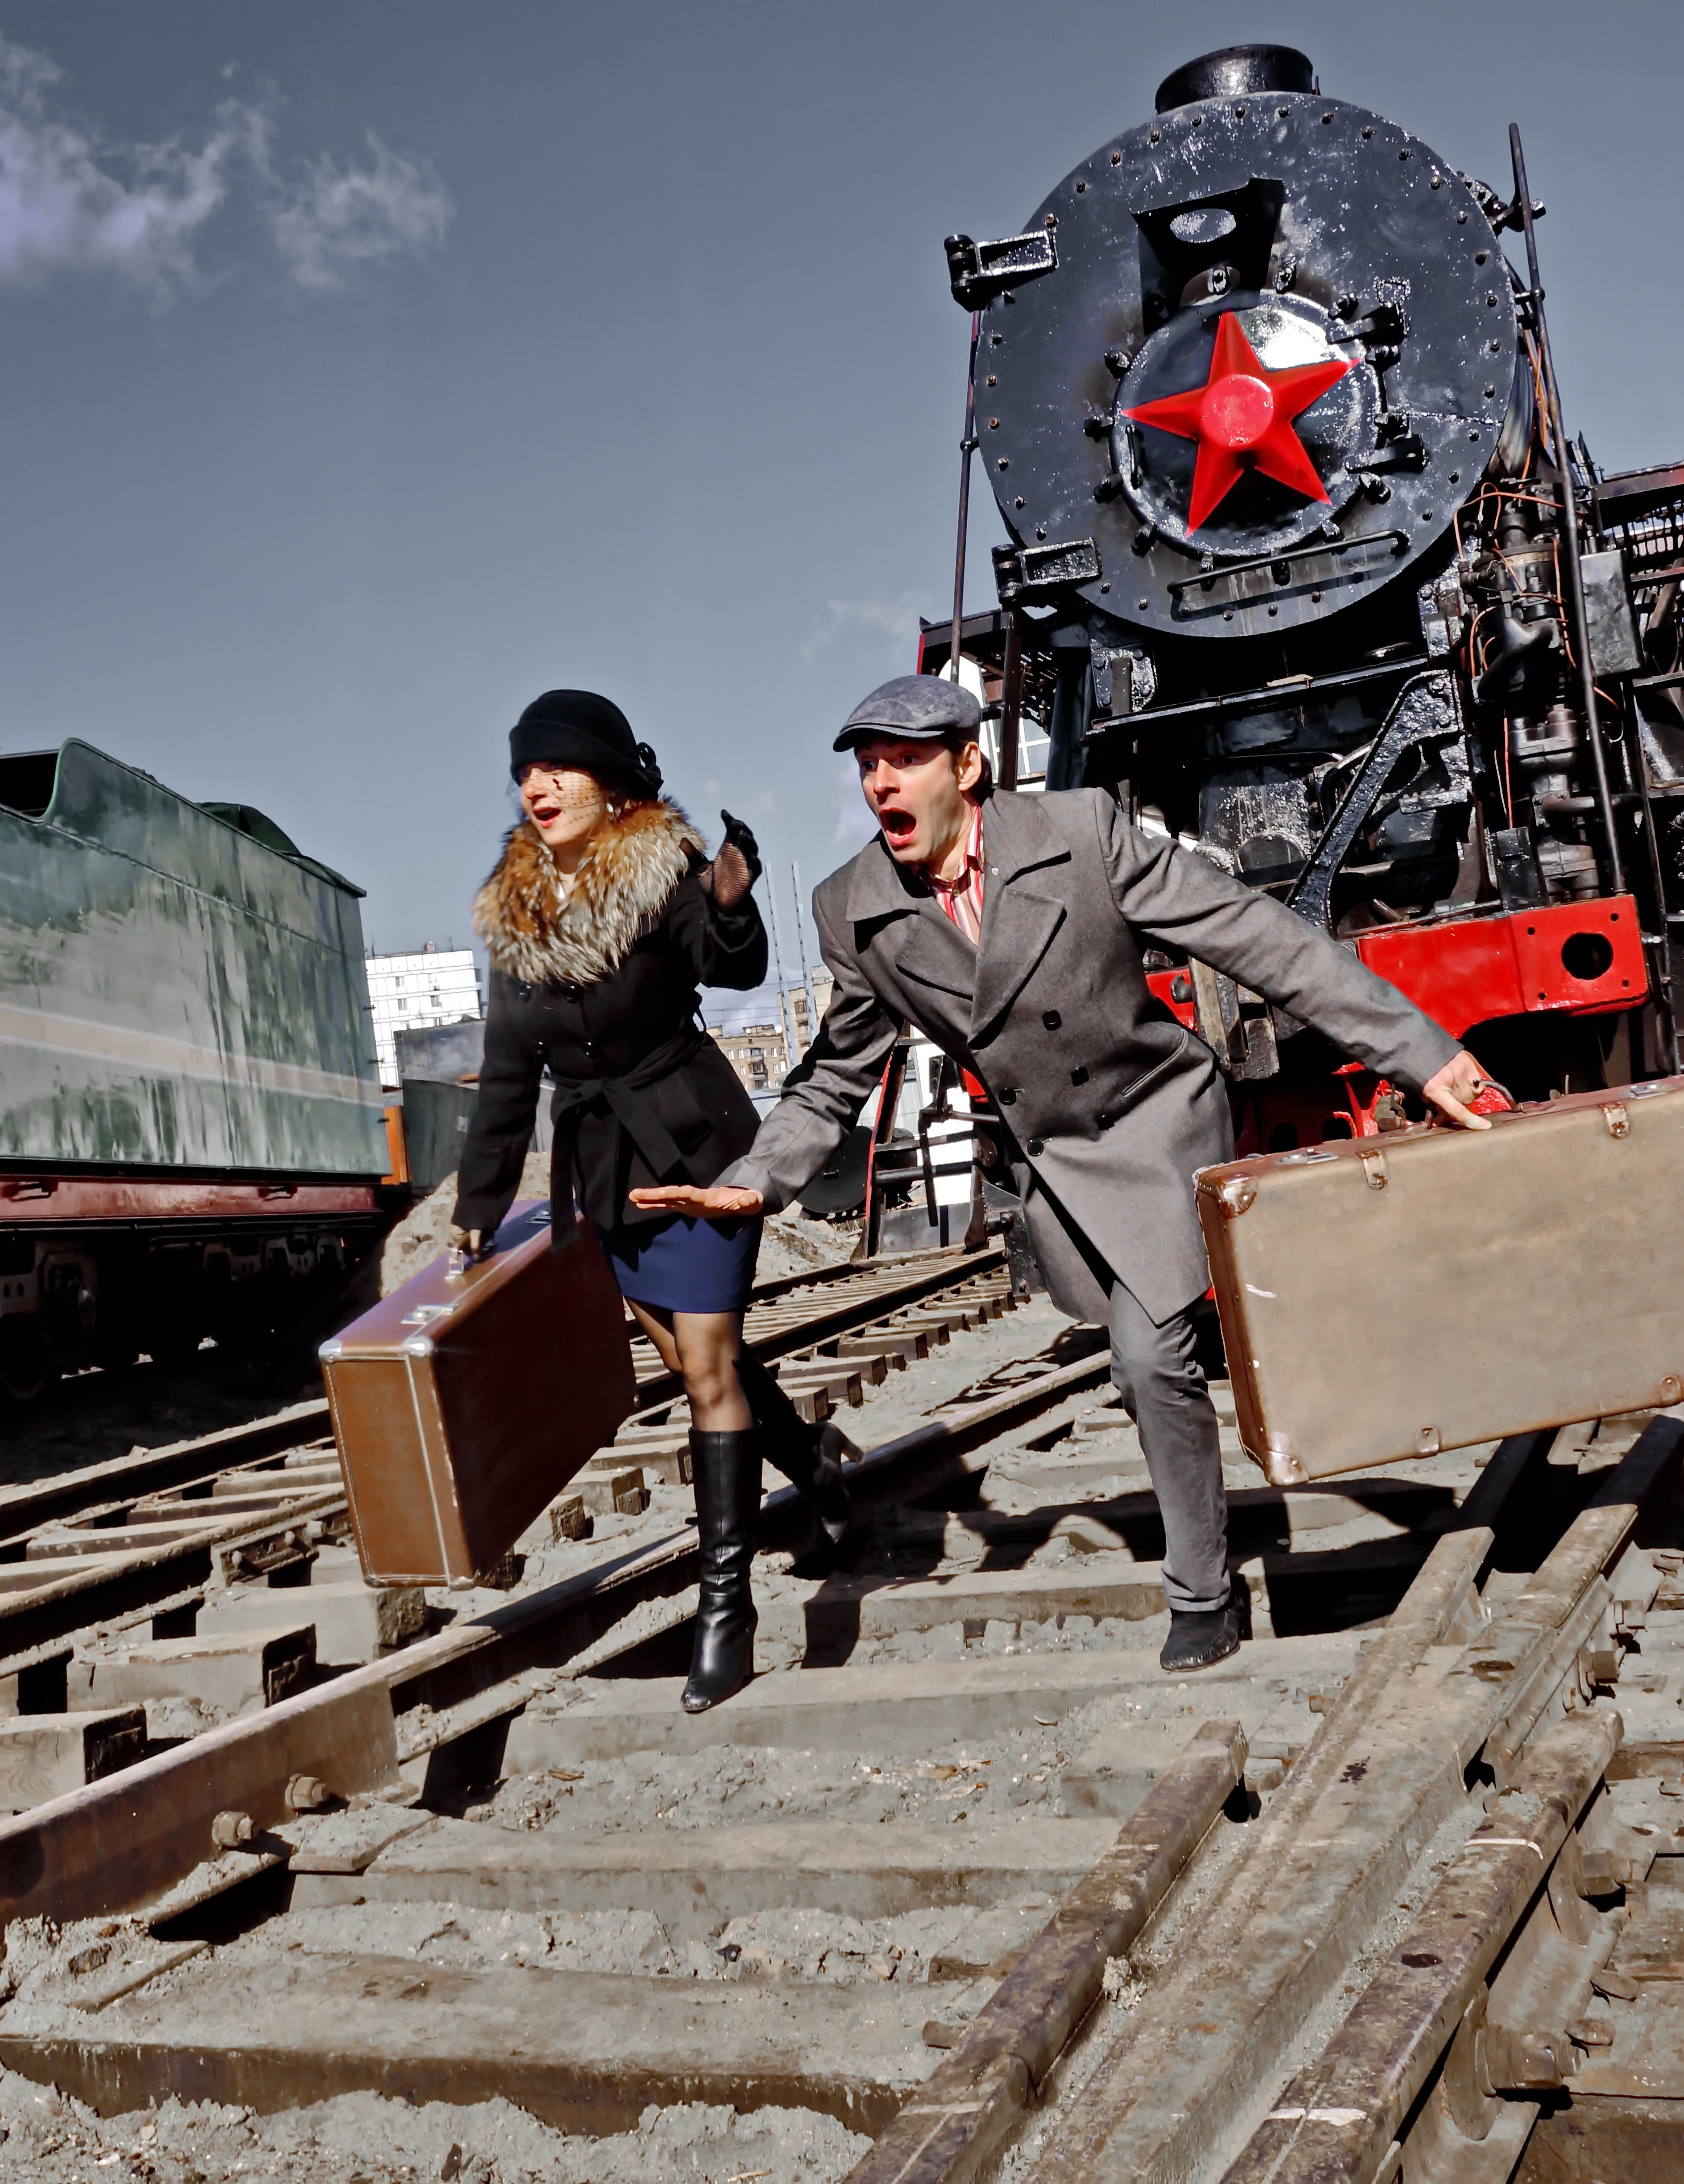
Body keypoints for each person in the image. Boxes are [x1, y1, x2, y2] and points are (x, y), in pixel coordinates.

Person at [632, 674, 1493, 1675]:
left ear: (968, 765)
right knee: (1141, 1353)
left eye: (904, 759)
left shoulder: (1082, 832)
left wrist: (1421, 1054)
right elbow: (833, 1075)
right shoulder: (855, 908)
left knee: (1146, 1351)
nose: (880, 783)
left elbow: (1257, 937)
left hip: (1157, 1117)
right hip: (1061, 1160)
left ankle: (1202, 1593)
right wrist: (760, 1176)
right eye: (867, 765)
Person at [448, 688, 850, 1714]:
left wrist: (727, 898)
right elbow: (506, 1077)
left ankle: (729, 1609)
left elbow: (738, 965)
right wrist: (478, 1208)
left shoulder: (662, 866)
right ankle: (809, 1459)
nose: (537, 786)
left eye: (557, 767)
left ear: (610, 777)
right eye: (524, 772)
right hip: (603, 1175)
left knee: (706, 1366)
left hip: (701, 1149)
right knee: (682, 1353)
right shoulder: (516, 912)